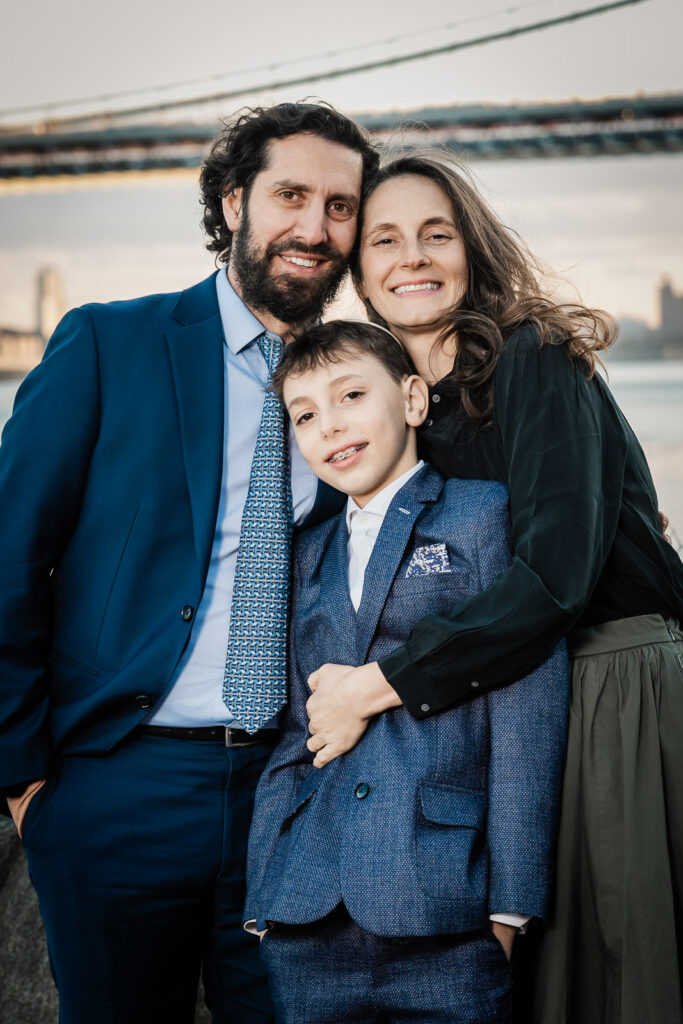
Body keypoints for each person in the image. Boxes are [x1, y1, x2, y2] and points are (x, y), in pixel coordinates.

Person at [0, 102, 378, 1024]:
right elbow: (9, 561)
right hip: (117, 787)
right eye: (290, 195)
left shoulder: (363, 387)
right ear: (233, 199)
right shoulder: (109, 344)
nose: (314, 227)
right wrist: (25, 783)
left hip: (289, 791)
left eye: (340, 206)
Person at [302, 154, 683, 1024]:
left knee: (620, 966)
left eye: (436, 235)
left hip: (605, 684)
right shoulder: (399, 408)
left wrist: (377, 684)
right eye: (385, 240)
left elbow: (552, 581)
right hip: (497, 706)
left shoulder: (532, 360)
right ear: (357, 271)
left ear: (470, 249)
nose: (413, 257)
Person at [244, 319, 569, 1024]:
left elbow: (524, 716)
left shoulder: (481, 515)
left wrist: (510, 907)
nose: (329, 426)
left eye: (351, 395)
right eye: (305, 415)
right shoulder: (309, 551)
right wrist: (262, 900)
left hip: (445, 906)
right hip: (306, 917)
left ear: (414, 400)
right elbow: (296, 734)